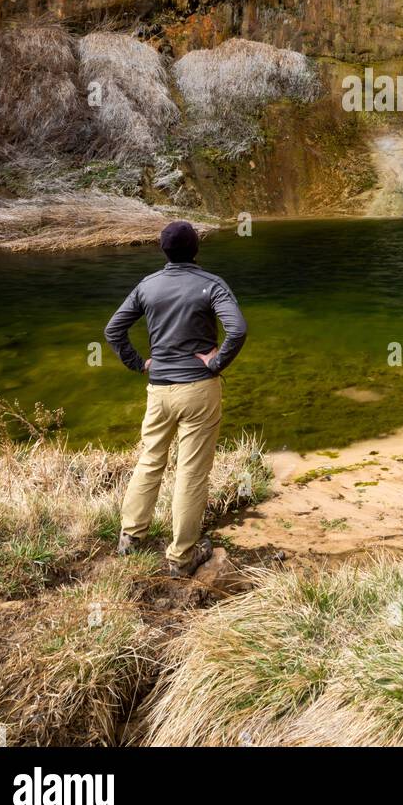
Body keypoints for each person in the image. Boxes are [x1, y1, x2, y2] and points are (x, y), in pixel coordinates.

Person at [104, 220, 247, 576]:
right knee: (192, 471)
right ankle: (182, 556)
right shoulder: (211, 284)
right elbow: (238, 329)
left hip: (159, 390)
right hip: (198, 389)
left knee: (150, 459)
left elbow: (113, 330)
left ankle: (130, 537)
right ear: (196, 248)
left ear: (163, 250)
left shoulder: (147, 286)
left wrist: (139, 364)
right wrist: (216, 362)